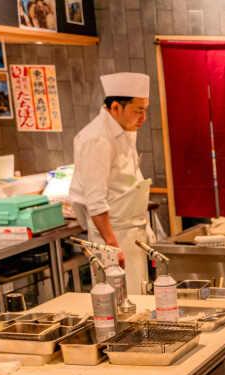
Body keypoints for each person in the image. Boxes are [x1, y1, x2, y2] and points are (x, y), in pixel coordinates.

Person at [69, 72, 152, 295]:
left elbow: (131, 183)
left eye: (145, 110)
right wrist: (112, 245)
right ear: (116, 107)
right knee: (119, 302)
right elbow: (95, 200)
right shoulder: (96, 138)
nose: (143, 117)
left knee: (140, 298)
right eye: (138, 110)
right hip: (113, 236)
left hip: (132, 232)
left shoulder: (125, 131)